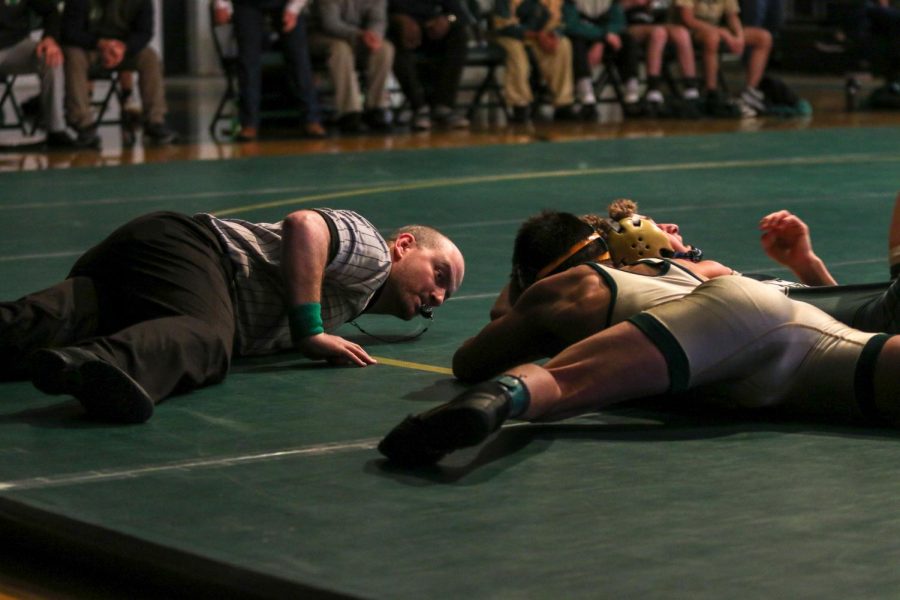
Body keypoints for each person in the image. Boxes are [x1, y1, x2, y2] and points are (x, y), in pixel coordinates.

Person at [377, 210, 900, 467]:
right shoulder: (693, 271)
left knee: (559, 383)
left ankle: (500, 399)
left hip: (739, 347)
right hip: (786, 329)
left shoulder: (574, 289)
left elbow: (473, 358)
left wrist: (519, 290)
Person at [1, 209, 465, 424]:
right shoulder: (371, 252)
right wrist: (310, 331)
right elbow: (305, 225)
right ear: (404, 246)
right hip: (195, 250)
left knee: (35, 324)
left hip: (150, 275)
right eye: (440, 275)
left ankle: (63, 354)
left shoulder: (353, 297)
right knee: (204, 340)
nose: (439, 296)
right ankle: (93, 365)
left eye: (447, 292)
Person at [61, 0, 178, 148]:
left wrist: (124, 48)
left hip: (122, 49)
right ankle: (82, 122)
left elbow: (144, 32)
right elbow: (70, 32)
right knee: (72, 55)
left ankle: (154, 121)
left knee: (150, 57)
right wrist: (100, 44)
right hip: (89, 47)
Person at [214, 0, 327, 141]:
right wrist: (221, 4)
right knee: (248, 61)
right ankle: (249, 123)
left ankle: (312, 119)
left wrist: (294, 9)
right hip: (247, 4)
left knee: (299, 58)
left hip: (286, 3)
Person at [670, 0, 772, 117]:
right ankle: (712, 93)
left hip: (716, 30)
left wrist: (738, 36)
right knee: (712, 39)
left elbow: (732, 16)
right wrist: (722, 33)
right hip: (687, 33)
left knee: (763, 37)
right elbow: (687, 20)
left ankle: (749, 92)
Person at [309, 0, 396, 133]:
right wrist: (360, 35)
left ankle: (376, 107)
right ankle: (349, 112)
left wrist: (374, 36)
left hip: (359, 38)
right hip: (322, 36)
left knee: (385, 49)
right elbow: (330, 24)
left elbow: (378, 20)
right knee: (340, 49)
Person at [0, 0, 78, 148]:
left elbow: (51, 12)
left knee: (51, 58)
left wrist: (49, 39)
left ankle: (56, 130)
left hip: (15, 44)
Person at [387, 0, 474, 130]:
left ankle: (443, 106)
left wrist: (447, 20)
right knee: (392, 38)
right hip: (399, 32)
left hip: (432, 32)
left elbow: (461, 15)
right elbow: (375, 13)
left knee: (459, 34)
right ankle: (419, 107)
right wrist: (399, 20)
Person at [492, 0, 578, 123]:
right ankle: (519, 106)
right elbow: (503, 26)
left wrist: (554, 35)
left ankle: (563, 103)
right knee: (517, 57)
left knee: (563, 45)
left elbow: (560, 21)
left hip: (541, 35)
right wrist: (536, 35)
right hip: (512, 36)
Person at [562, 0, 645, 117]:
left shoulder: (611, 3)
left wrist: (603, 39)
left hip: (606, 40)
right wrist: (602, 36)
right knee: (575, 44)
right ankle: (586, 97)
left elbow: (619, 22)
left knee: (628, 41)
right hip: (583, 38)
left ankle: (632, 95)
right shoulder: (570, 3)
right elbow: (571, 26)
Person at [620, 0, 702, 115]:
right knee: (659, 33)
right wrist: (633, 3)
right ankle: (653, 89)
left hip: (656, 23)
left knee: (682, 33)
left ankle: (691, 90)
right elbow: (611, 9)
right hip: (629, 25)